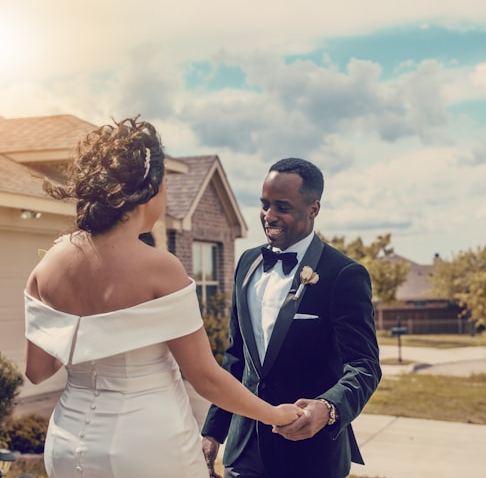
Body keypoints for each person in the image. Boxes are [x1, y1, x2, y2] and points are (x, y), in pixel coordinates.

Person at [23, 117, 302, 478]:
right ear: (148, 189)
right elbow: (206, 378)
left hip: (65, 445)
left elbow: (37, 371)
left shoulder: (50, 264)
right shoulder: (160, 268)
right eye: (166, 186)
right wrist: (277, 414)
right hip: (147, 447)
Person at [201, 157, 382, 478]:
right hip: (243, 451)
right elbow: (236, 357)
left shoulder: (343, 274)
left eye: (281, 207)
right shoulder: (247, 264)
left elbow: (365, 367)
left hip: (310, 456)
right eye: (264, 205)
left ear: (313, 209)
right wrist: (215, 429)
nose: (268, 216)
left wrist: (328, 409)